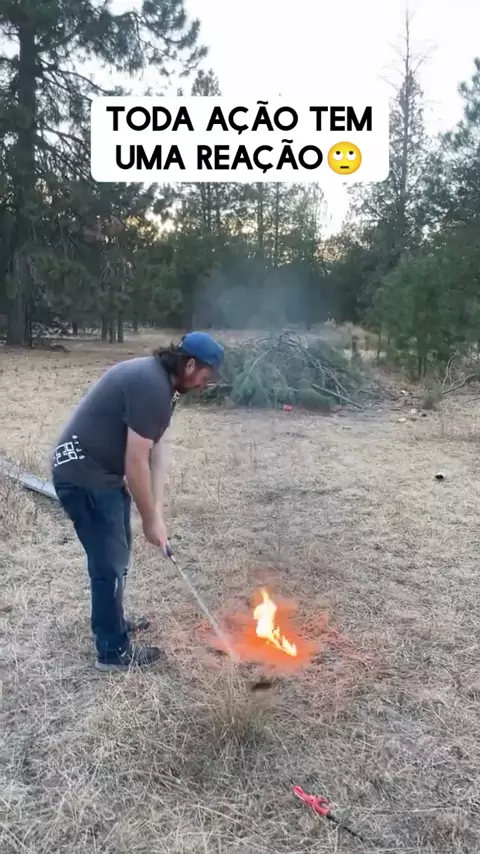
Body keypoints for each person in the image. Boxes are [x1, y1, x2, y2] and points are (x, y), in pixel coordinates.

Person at [51, 332, 224, 672]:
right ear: (190, 365)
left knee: (118, 552)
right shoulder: (151, 386)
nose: (205, 385)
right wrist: (148, 520)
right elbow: (135, 462)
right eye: (205, 377)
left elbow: (156, 452)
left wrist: (156, 513)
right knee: (108, 561)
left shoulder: (161, 385)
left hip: (101, 475)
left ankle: (113, 621)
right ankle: (112, 651)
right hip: (83, 476)